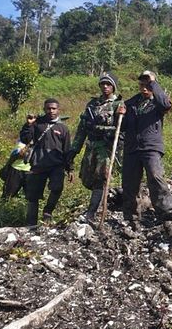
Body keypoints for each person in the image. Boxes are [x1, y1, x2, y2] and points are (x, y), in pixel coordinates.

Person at [120, 70, 172, 227]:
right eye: (142, 85)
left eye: (147, 85)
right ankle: (131, 216)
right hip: (132, 147)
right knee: (129, 183)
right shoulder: (130, 104)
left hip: (150, 146)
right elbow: (123, 127)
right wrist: (120, 115)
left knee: (155, 175)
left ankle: (164, 210)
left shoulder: (158, 102)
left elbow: (165, 104)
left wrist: (153, 81)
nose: (144, 88)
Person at [68, 73, 124, 225]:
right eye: (103, 84)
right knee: (88, 179)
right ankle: (94, 206)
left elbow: (122, 129)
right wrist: (74, 150)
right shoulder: (92, 105)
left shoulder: (118, 105)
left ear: (113, 86)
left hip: (106, 148)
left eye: (108, 84)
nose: (105, 87)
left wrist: (105, 129)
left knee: (101, 180)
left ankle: (91, 212)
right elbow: (82, 129)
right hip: (91, 147)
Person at [20, 98, 72, 226]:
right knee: (33, 196)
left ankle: (47, 212)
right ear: (44, 109)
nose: (51, 111)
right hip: (38, 164)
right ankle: (31, 225)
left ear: (58, 110)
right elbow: (25, 138)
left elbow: (67, 150)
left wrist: (70, 168)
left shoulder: (63, 128)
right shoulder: (37, 124)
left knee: (57, 188)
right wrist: (28, 125)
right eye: (48, 108)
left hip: (57, 166)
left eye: (54, 108)